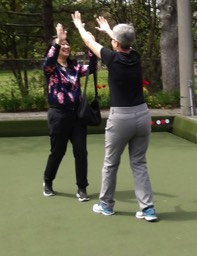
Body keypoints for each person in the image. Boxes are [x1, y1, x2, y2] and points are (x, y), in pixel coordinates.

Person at [72, 11, 158, 221]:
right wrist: (110, 30)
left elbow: (88, 40)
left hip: (121, 118)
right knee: (139, 163)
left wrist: (79, 26)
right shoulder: (135, 56)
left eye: (113, 40)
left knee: (111, 163)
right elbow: (123, 41)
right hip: (142, 115)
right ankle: (148, 209)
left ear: (116, 44)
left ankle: (106, 205)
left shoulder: (112, 58)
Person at [42, 23, 95, 202]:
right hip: (58, 115)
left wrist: (90, 45)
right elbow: (48, 62)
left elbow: (92, 69)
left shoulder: (74, 67)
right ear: (55, 47)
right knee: (58, 151)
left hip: (77, 116)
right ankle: (48, 181)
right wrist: (58, 38)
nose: (66, 46)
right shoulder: (51, 68)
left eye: (67, 43)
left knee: (81, 152)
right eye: (62, 44)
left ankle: (82, 188)